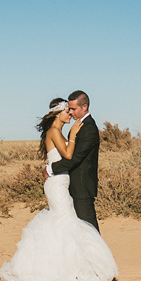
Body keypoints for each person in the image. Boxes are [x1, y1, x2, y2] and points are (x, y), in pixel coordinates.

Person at [0, 97, 118, 281]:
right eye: (66, 111)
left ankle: (71, 266)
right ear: (57, 114)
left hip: (62, 183)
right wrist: (73, 135)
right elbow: (69, 155)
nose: (69, 113)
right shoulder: (55, 131)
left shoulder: (58, 131)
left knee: (63, 223)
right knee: (65, 221)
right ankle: (71, 268)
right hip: (57, 185)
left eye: (71, 110)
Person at [47, 90, 101, 232]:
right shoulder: (78, 127)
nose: (71, 112)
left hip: (82, 188)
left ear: (84, 107)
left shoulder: (89, 128)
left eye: (73, 109)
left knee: (90, 230)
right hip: (72, 186)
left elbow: (76, 158)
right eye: (69, 109)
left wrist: (50, 169)